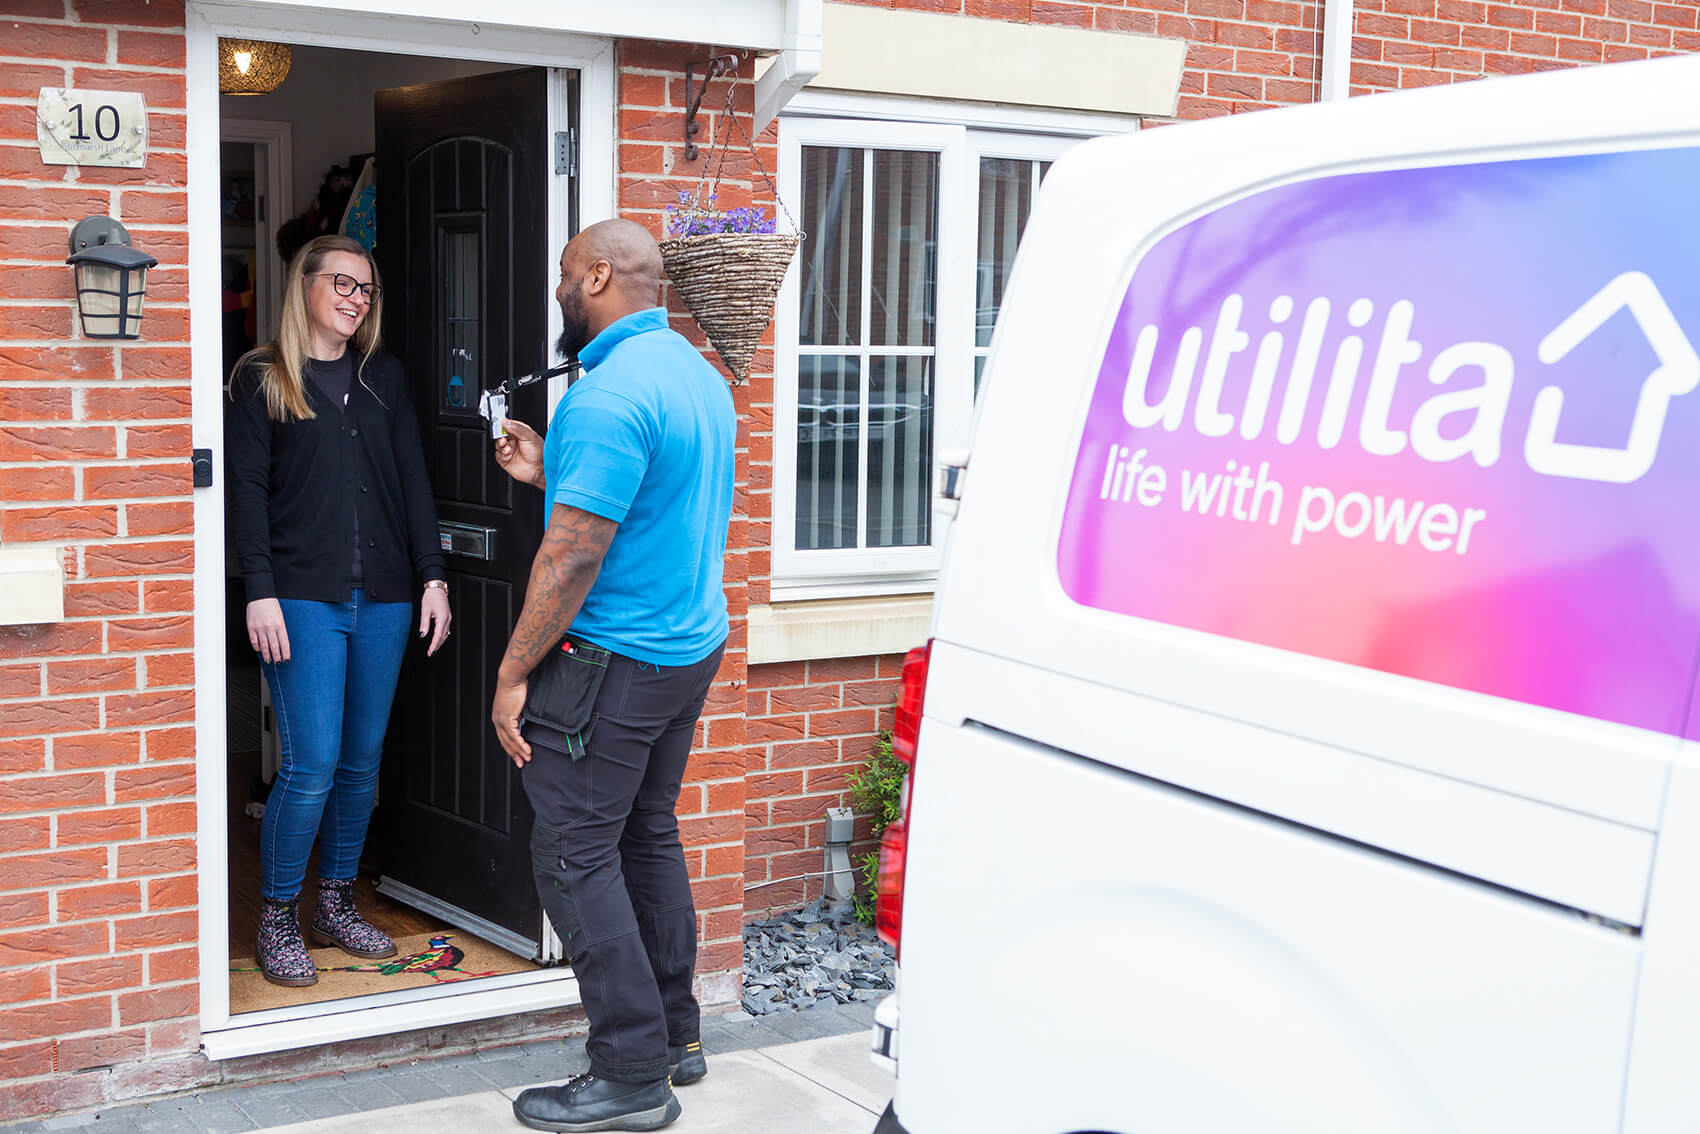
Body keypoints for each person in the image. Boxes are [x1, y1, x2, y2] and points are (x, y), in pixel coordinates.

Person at [490, 219, 734, 1133]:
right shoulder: (695, 378)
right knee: (644, 837)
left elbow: (572, 557)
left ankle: (630, 1073)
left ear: (597, 275)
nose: (558, 291)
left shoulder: (604, 396)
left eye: (564, 275)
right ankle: (675, 1037)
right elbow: (647, 501)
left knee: (572, 853)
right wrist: (548, 471)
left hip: (612, 665)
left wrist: (513, 673)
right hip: (687, 651)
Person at [226, 234, 453, 988]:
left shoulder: (384, 377)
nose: (357, 299)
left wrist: (434, 579)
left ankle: (335, 904)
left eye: (367, 290)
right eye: (344, 284)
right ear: (307, 287)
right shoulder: (263, 379)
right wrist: (258, 589)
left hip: (386, 596)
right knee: (312, 763)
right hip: (299, 598)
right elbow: (247, 496)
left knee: (361, 765)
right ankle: (278, 916)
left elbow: (414, 484)